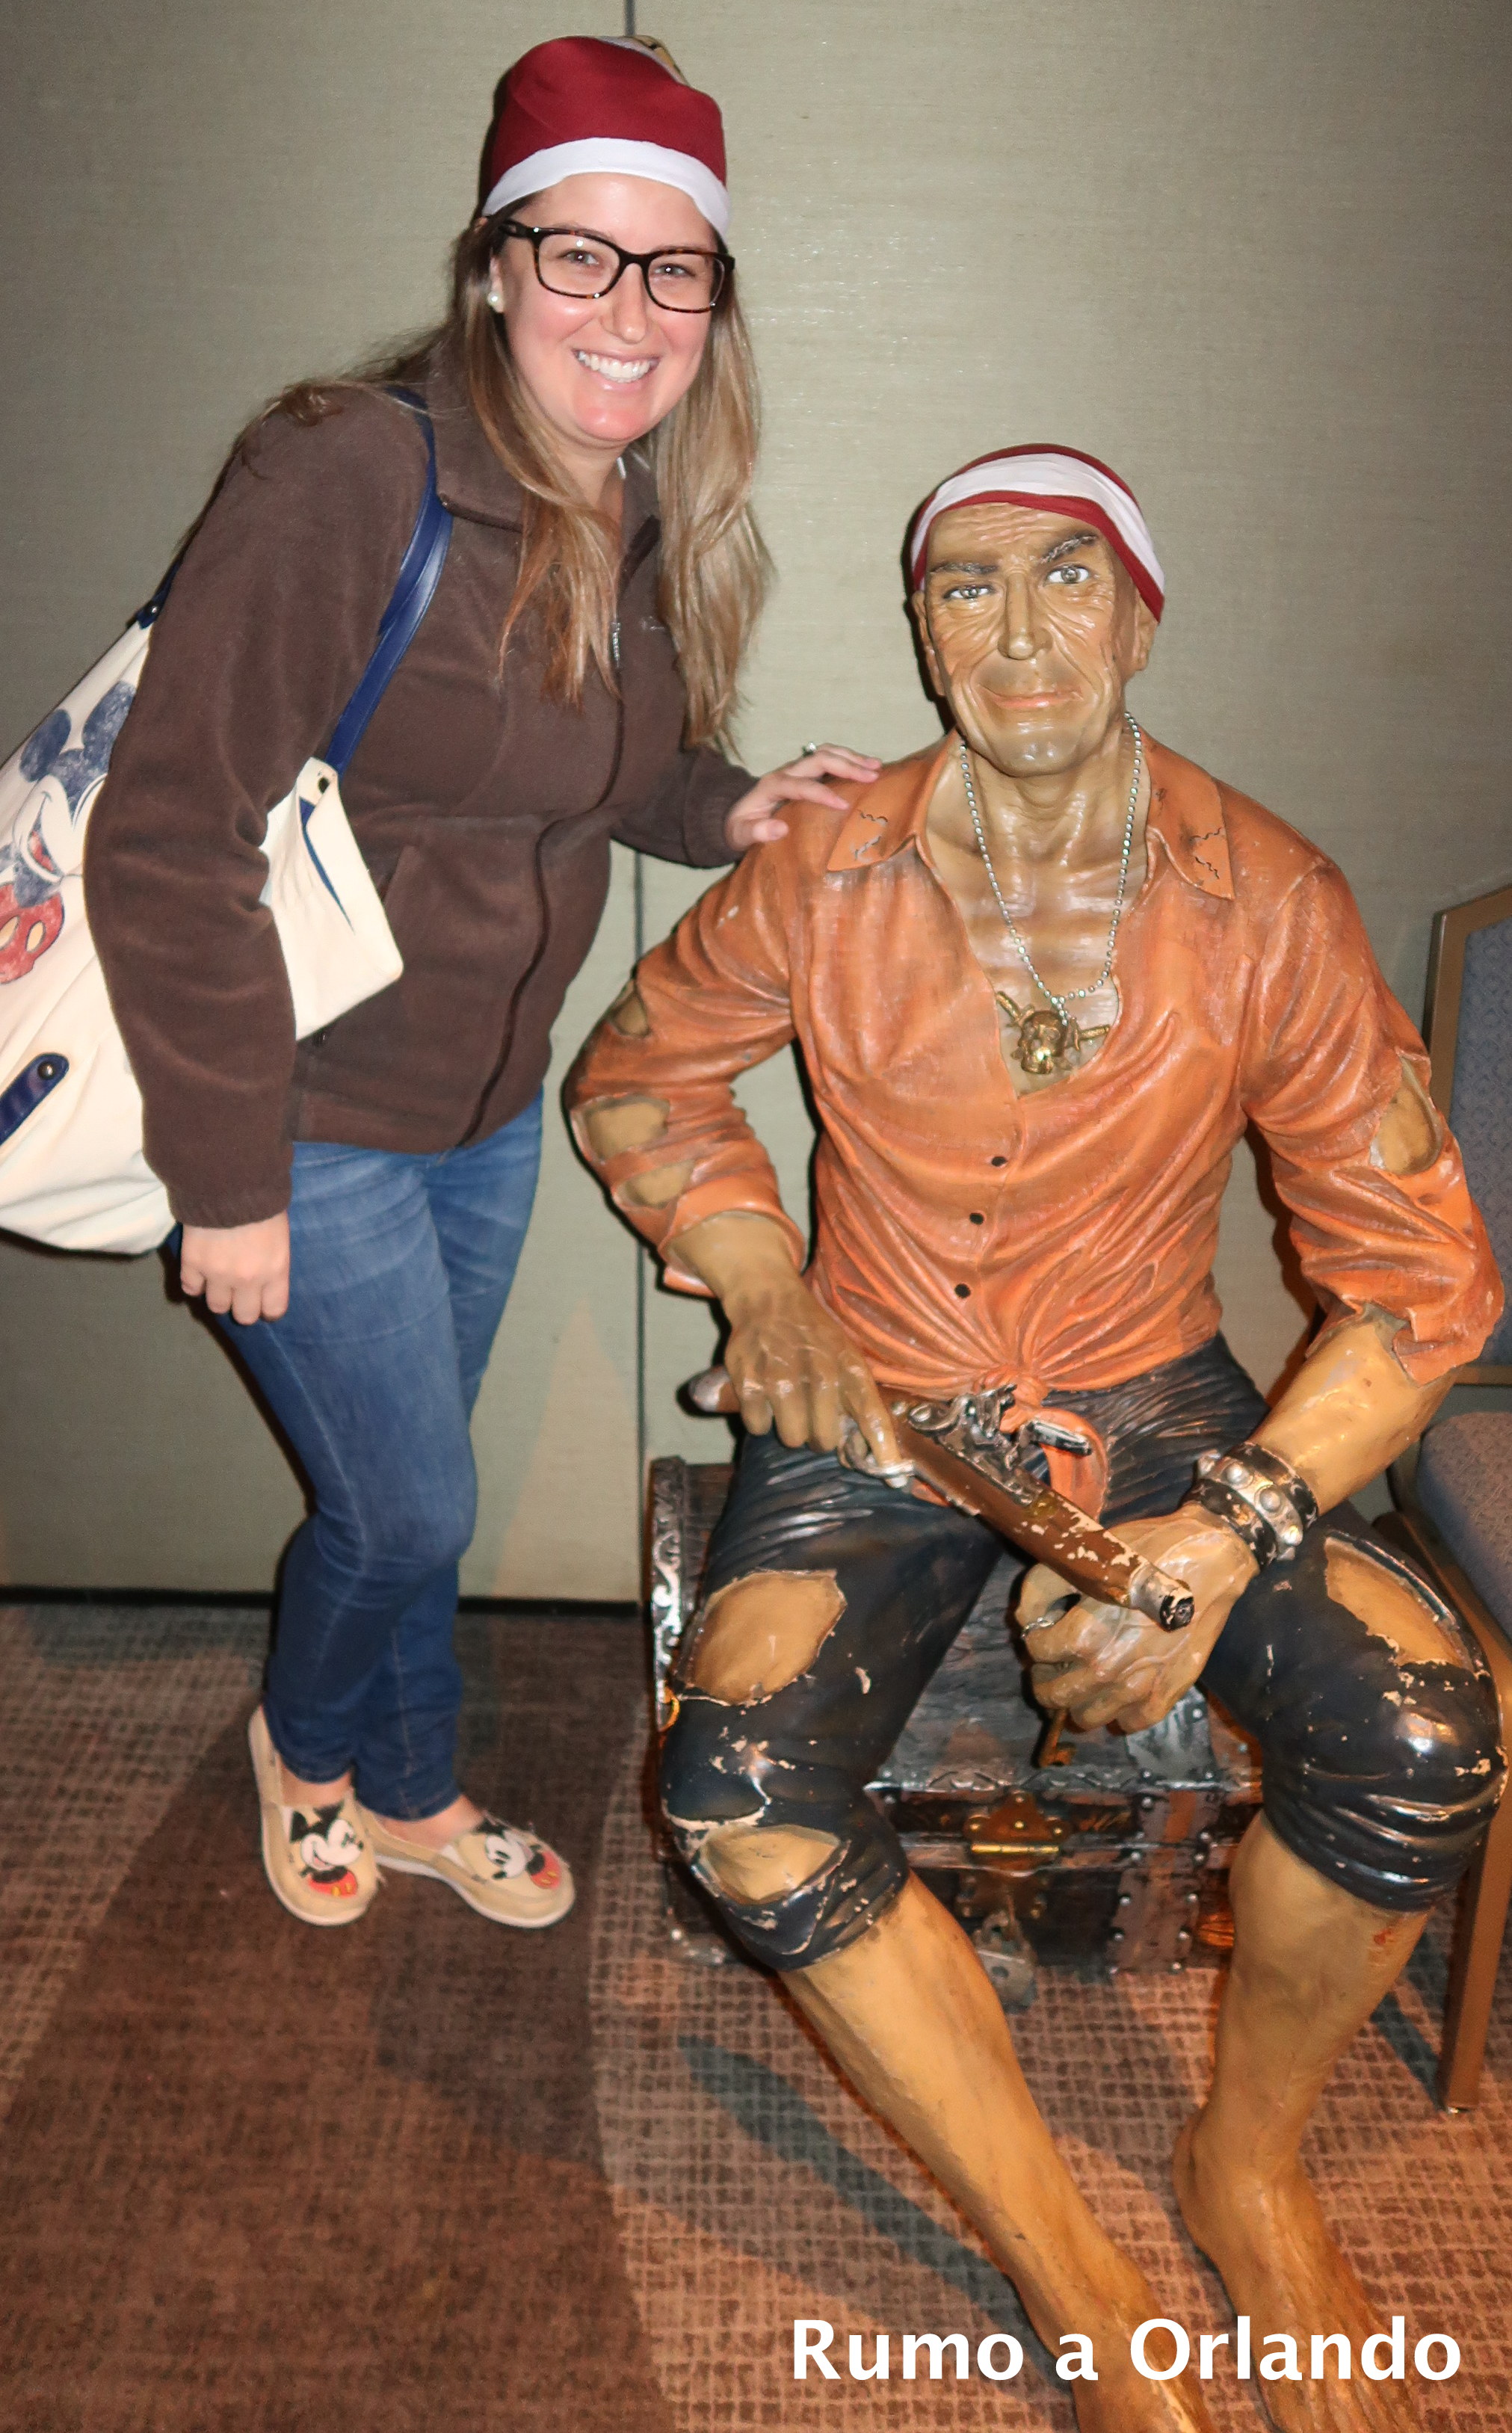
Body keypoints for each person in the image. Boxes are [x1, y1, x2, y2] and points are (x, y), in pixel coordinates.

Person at [568, 443, 1505, 2433]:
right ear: (922, 634)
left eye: (1066, 578)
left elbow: (1421, 1277)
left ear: (1141, 616)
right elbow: (639, 1080)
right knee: (736, 1786)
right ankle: (1070, 2265)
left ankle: (1244, 2169)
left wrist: (1220, 1533)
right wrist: (764, 1287)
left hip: (1156, 1395)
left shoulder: (1274, 899)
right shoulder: (822, 870)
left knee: (1427, 1734)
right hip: (878, 1395)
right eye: (966, 587)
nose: (1016, 631)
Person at [84, 33, 877, 1934]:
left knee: (408, 1487)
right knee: (414, 1507)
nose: (628, 309)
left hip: (482, 1112)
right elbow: (169, 829)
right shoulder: (347, 472)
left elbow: (591, 776)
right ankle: (308, 1752)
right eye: (579, 253)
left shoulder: (631, 500)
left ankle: (414, 1780)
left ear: (715, 301)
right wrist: (228, 1175)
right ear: (495, 265)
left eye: (672, 267)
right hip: (303, 1109)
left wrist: (726, 801)